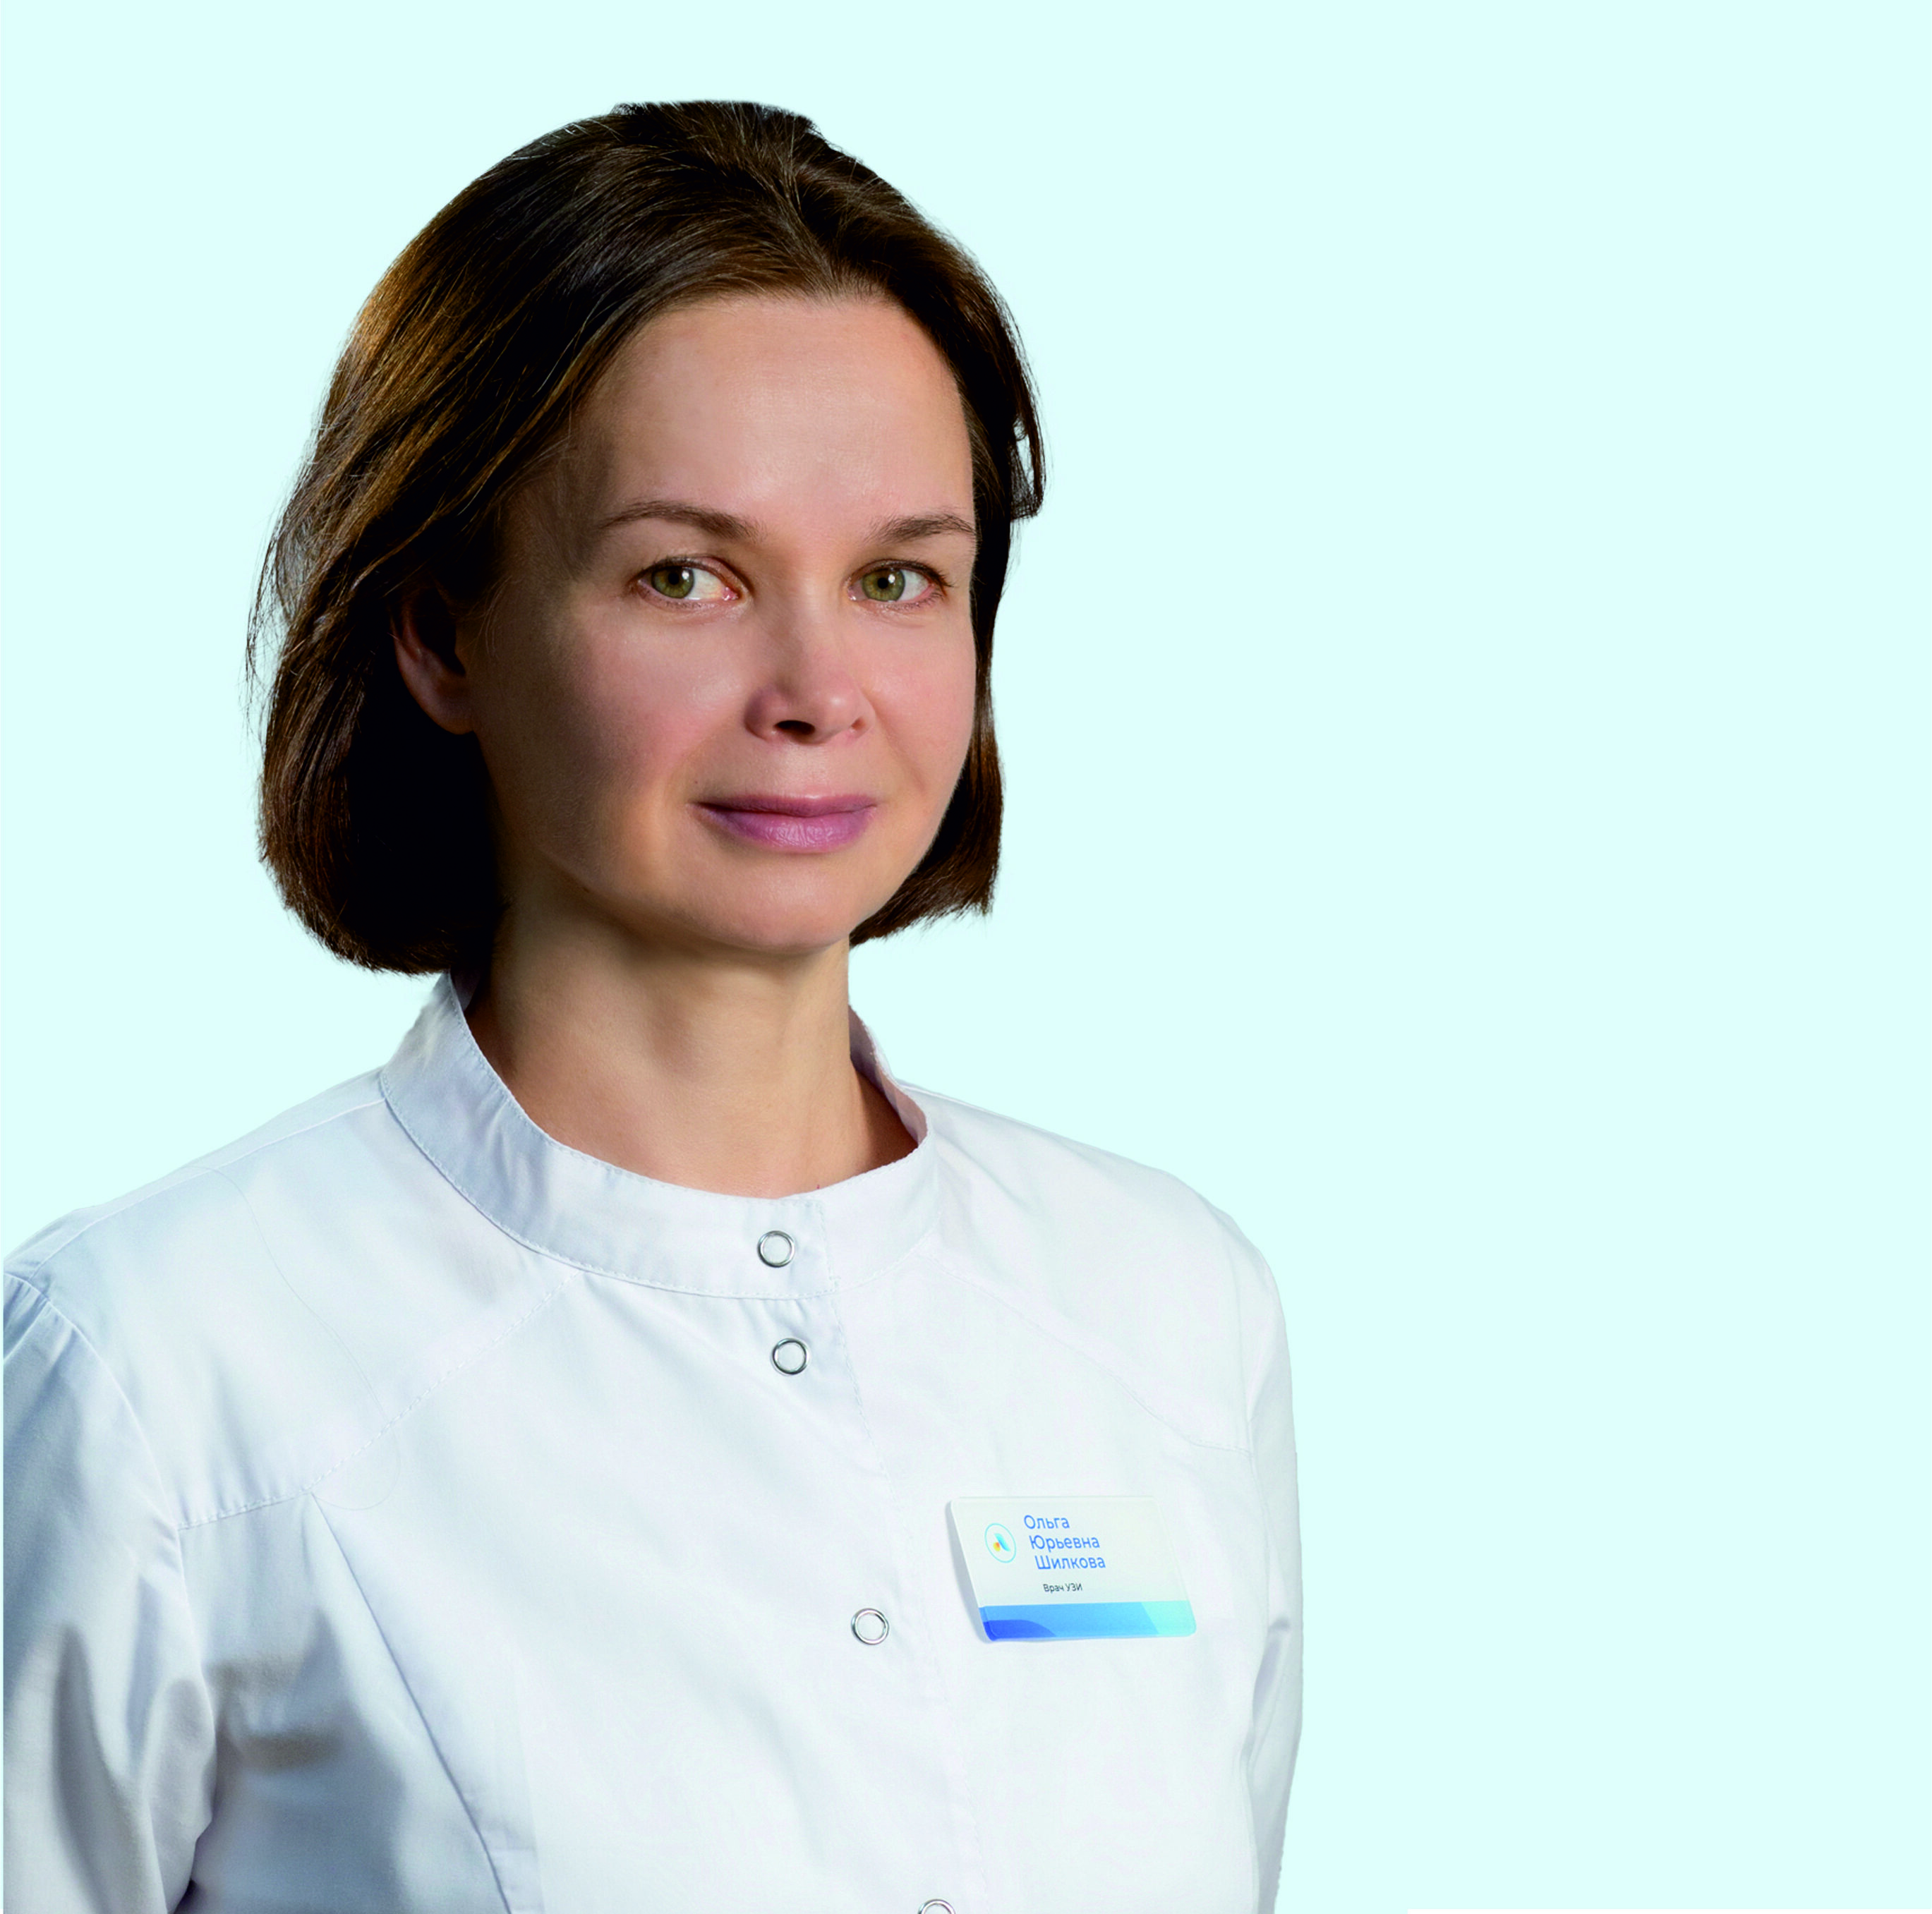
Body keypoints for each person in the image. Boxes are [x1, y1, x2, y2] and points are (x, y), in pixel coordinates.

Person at [4, 101, 1301, 1913]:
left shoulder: (1168, 1306)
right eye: (685, 576)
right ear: (443, 633)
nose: (816, 688)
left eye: (896, 577)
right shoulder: (162, 1362)